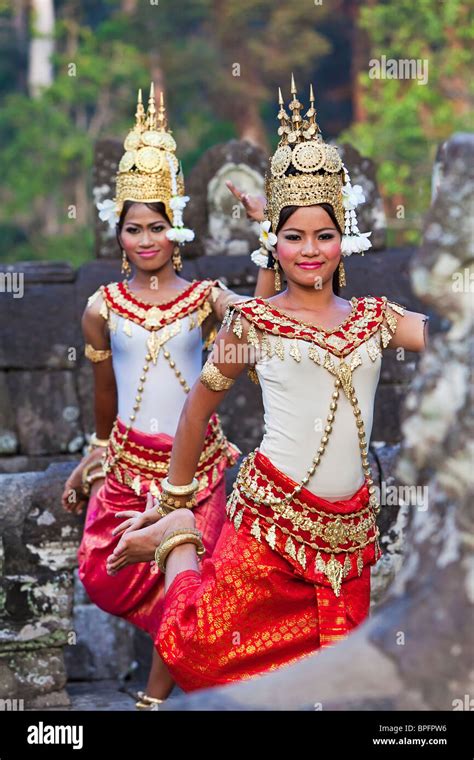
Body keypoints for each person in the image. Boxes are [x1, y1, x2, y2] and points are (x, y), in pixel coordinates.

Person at [106, 78, 428, 693]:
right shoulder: (253, 323)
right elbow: (197, 411)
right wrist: (176, 503)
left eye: (324, 235)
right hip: (269, 526)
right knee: (201, 652)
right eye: (294, 236)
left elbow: (447, 336)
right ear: (273, 244)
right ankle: (177, 544)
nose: (311, 250)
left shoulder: (375, 318)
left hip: (347, 540)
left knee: (333, 688)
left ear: (345, 238)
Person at [62, 83, 272, 706]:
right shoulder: (101, 309)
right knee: (102, 574)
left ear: (176, 227)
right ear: (118, 234)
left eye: (157, 226)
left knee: (192, 590)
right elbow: (105, 392)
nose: (147, 240)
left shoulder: (205, 298)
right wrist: (94, 454)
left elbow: (255, 322)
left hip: (195, 471)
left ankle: (152, 701)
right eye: (134, 229)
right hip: (127, 468)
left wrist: (266, 239)